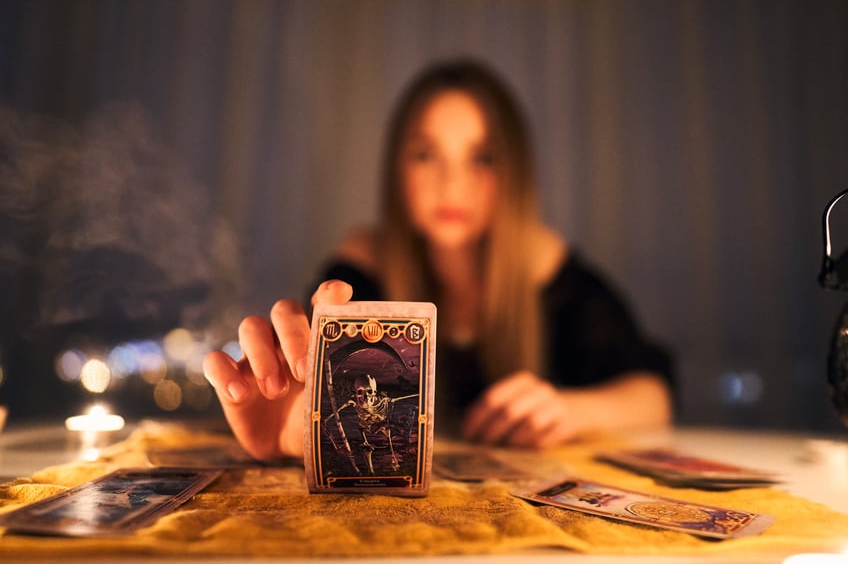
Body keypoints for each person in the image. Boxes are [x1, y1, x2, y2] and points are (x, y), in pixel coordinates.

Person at [203, 59, 674, 461]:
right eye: (426, 155)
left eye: (482, 157)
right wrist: (297, 414)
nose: (451, 185)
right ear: (396, 169)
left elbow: (653, 396)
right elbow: (314, 386)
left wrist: (570, 411)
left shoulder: (545, 265)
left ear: (514, 173)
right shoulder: (363, 268)